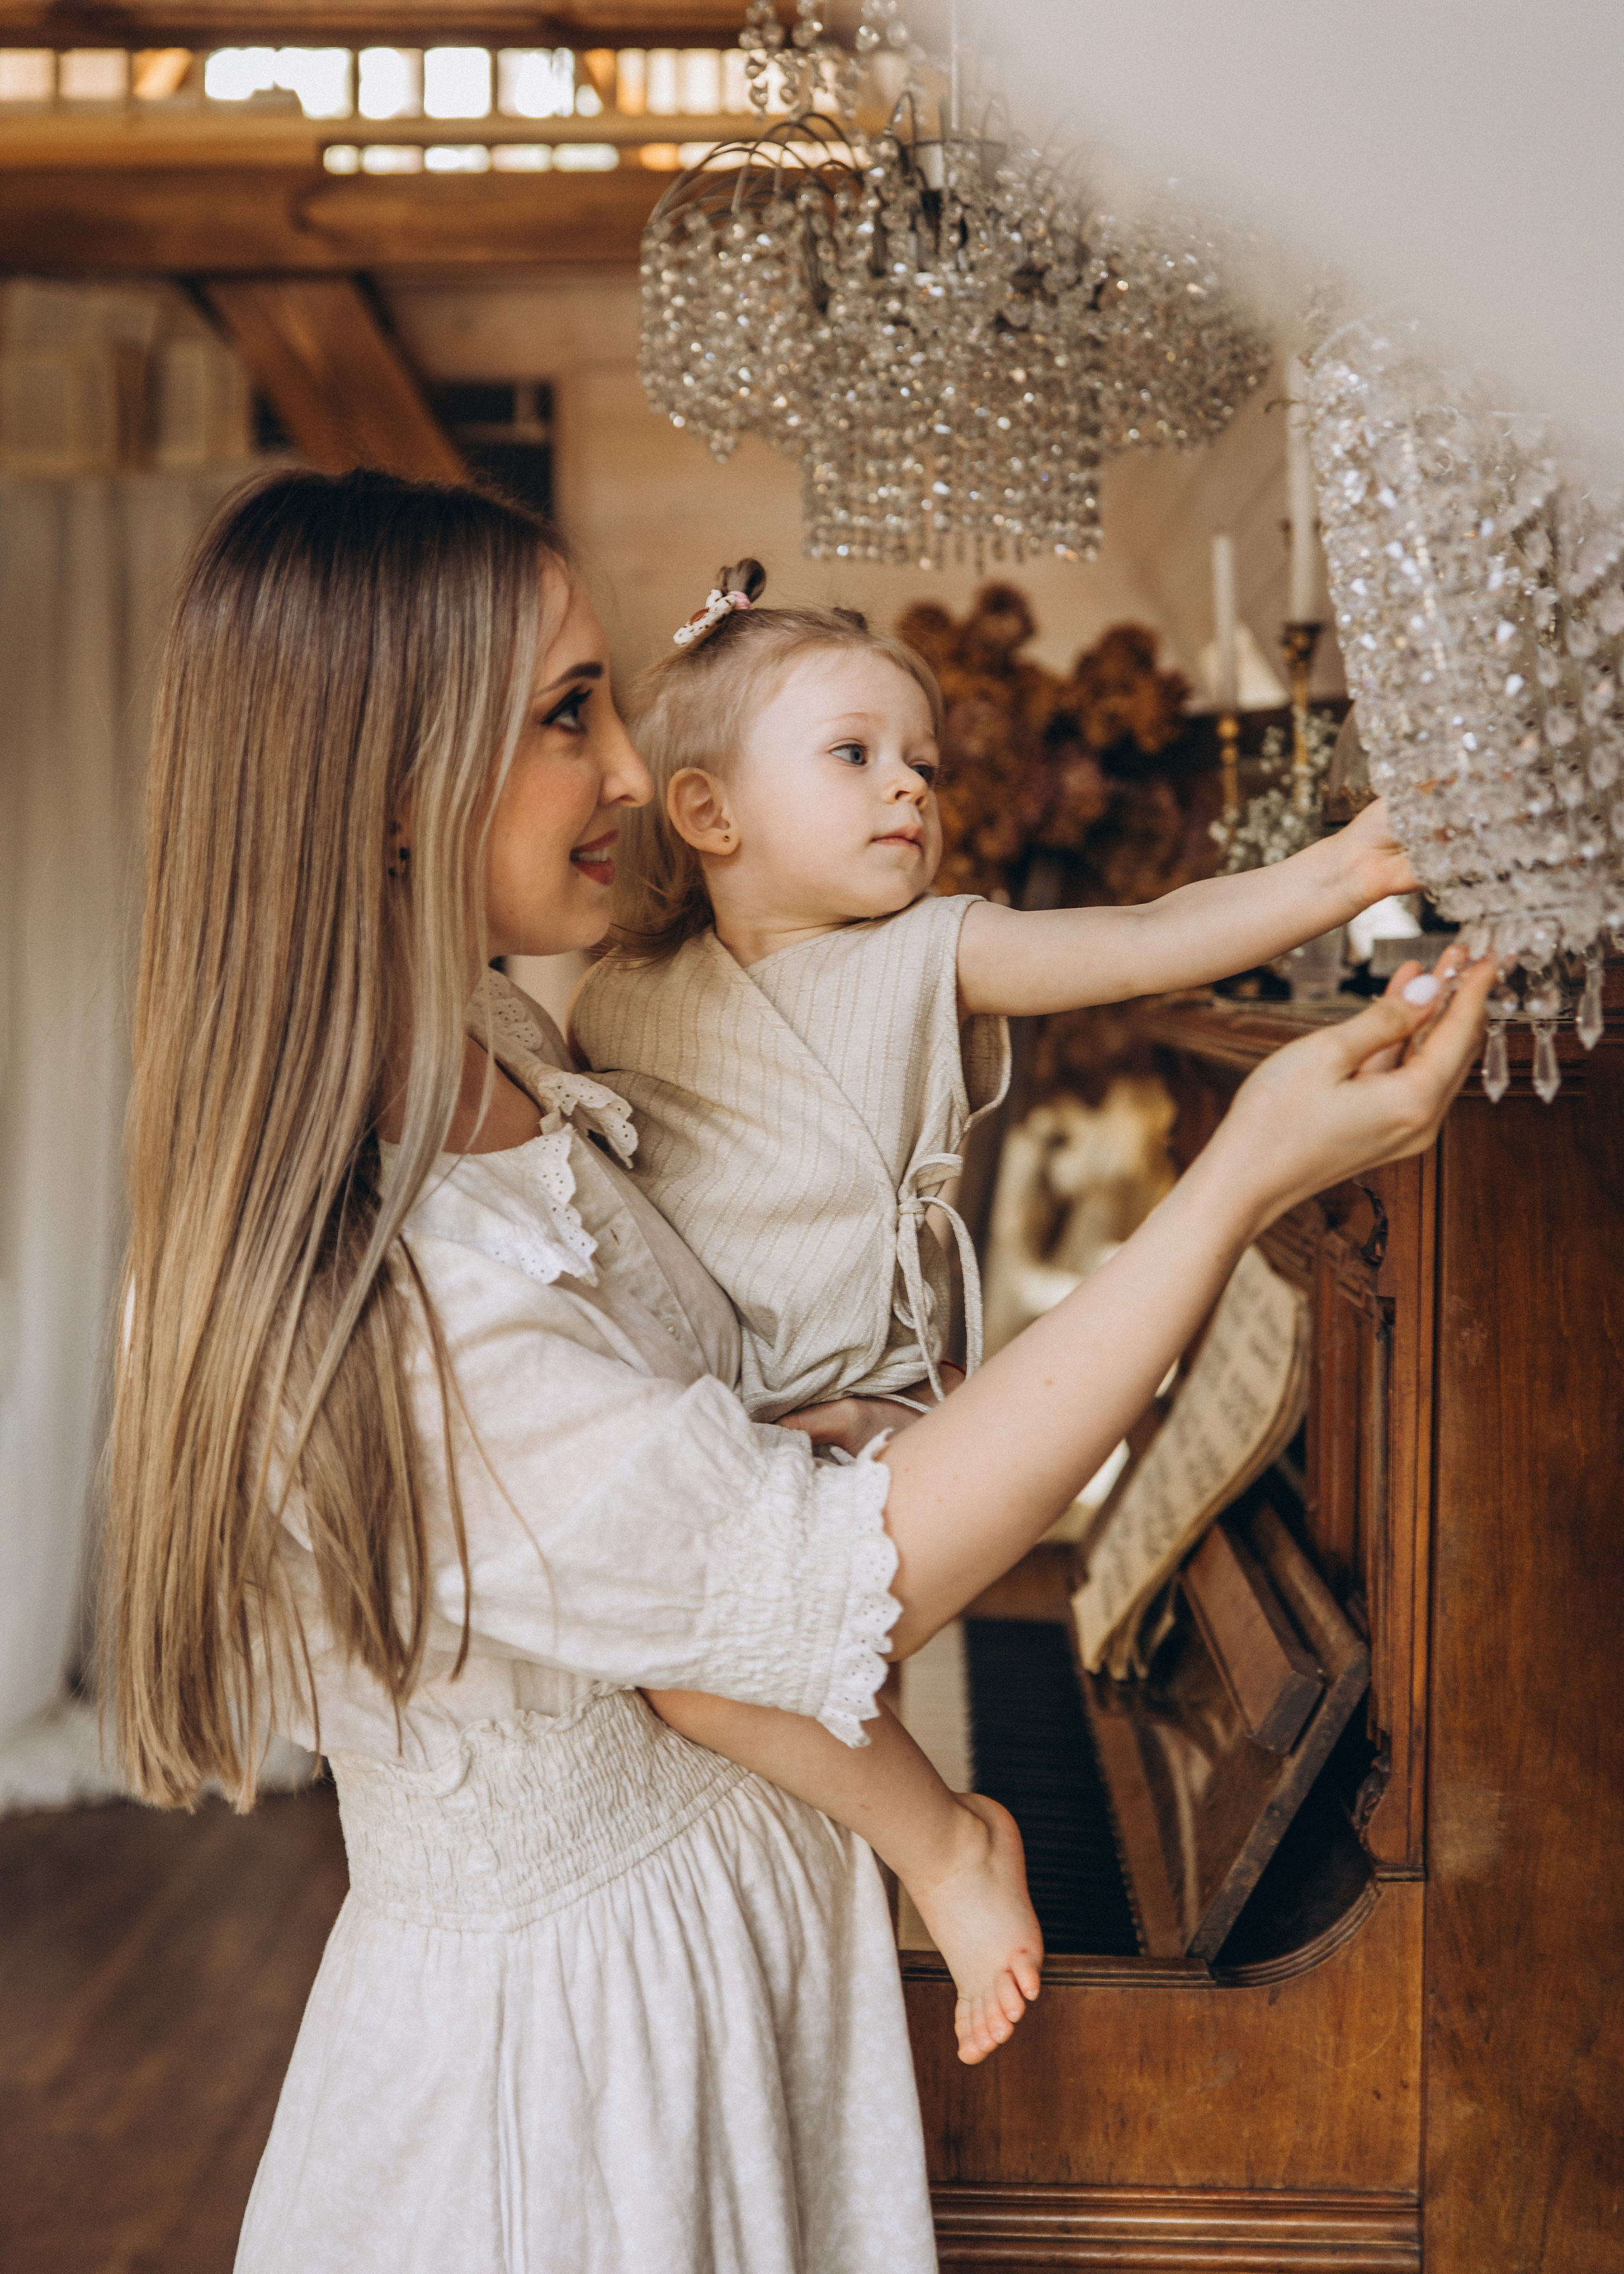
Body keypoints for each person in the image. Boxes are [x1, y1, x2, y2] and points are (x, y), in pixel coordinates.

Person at [105, 470, 1491, 2274]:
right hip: (592, 2077)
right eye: (564, 713)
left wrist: (746, 1428)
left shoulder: (510, 1043)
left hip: (740, 1933)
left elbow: (629, 1482)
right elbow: (820, 1579)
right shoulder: (381, 1286)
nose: (623, 771)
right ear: (386, 784)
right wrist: (1236, 1180)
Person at [571, 556, 1425, 2060]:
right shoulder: (619, 997)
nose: (909, 788)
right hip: (718, 1438)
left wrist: (1347, 871)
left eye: (922, 763)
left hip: (871, 1434)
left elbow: (1149, 933)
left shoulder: (931, 954)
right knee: (728, 1707)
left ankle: (933, 1862)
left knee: (756, 1692)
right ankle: (847, 1944)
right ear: (706, 814)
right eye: (854, 755)